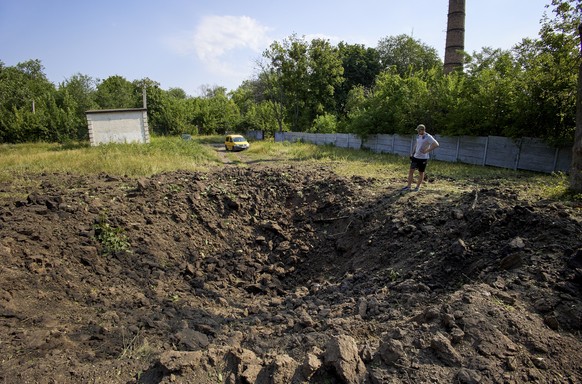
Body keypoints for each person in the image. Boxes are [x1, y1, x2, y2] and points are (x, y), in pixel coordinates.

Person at [401, 124, 439, 192]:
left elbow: (436, 144)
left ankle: (417, 187)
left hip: (423, 158)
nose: (417, 132)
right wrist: (412, 153)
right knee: (411, 171)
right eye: (417, 130)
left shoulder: (428, 137)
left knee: (421, 173)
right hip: (415, 157)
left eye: (419, 130)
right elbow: (416, 144)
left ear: (423, 130)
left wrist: (427, 151)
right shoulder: (419, 136)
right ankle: (408, 186)